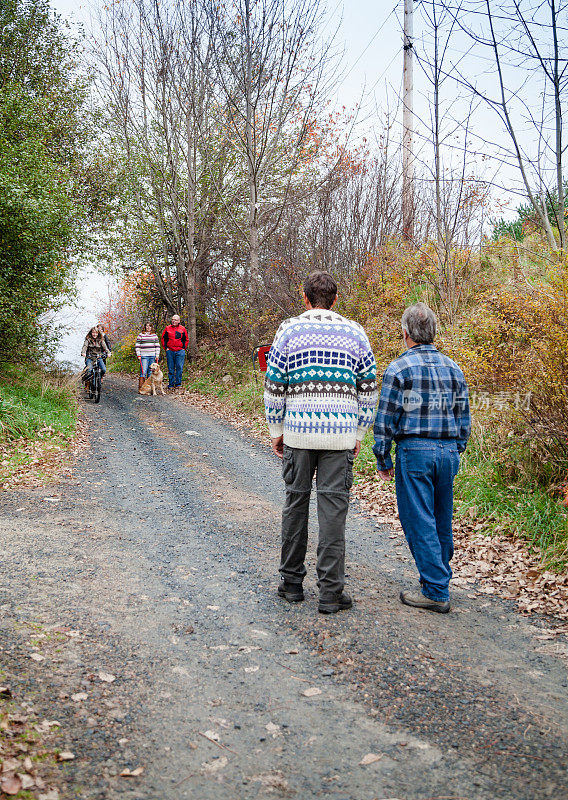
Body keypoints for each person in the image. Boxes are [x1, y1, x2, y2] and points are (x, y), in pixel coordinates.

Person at [264, 271, 378, 614]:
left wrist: (276, 430)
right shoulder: (355, 332)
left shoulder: (289, 329)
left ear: (305, 297)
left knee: (295, 505)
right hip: (339, 435)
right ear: (336, 299)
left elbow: (274, 383)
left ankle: (292, 584)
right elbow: (369, 388)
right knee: (333, 511)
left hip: (298, 432)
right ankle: (330, 592)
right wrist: (359, 432)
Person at [373, 302, 471, 614]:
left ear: (405, 334)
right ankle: (438, 575)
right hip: (448, 451)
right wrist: (457, 450)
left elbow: (385, 418)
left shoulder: (398, 369)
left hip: (415, 452)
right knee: (441, 517)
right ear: (433, 332)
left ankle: (436, 589)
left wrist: (383, 457)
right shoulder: (453, 369)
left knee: (419, 520)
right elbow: (463, 417)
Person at [161, 314, 188, 390]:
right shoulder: (167, 328)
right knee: (171, 368)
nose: (174, 321)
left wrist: (183, 348)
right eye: (173, 319)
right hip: (170, 351)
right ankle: (171, 384)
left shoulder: (182, 329)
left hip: (180, 351)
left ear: (179, 321)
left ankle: (178, 384)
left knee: (179, 367)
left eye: (175, 320)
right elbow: (163, 339)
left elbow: (186, 339)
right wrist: (166, 348)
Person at [135, 322, 161, 393]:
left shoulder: (154, 336)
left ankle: (151, 389)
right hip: (144, 356)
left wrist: (157, 355)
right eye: (147, 326)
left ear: (151, 327)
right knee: (143, 371)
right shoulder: (141, 335)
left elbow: (157, 346)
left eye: (150, 326)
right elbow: (137, 345)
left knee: (151, 372)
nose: (148, 328)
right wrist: (139, 355)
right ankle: (141, 388)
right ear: (145, 327)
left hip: (152, 355)